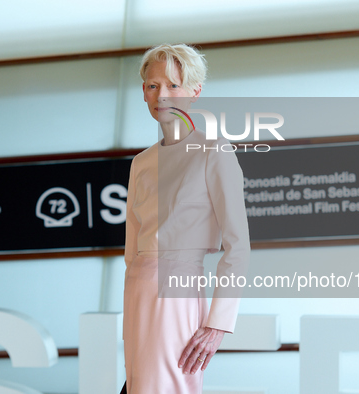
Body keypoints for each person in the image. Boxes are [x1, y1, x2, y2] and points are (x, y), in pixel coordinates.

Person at [123, 43, 250, 393]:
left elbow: (238, 248)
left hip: (178, 293)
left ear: (195, 91)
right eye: (152, 85)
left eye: (173, 85)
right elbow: (132, 250)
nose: (162, 95)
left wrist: (218, 324)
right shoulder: (141, 164)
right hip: (137, 291)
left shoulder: (214, 151)